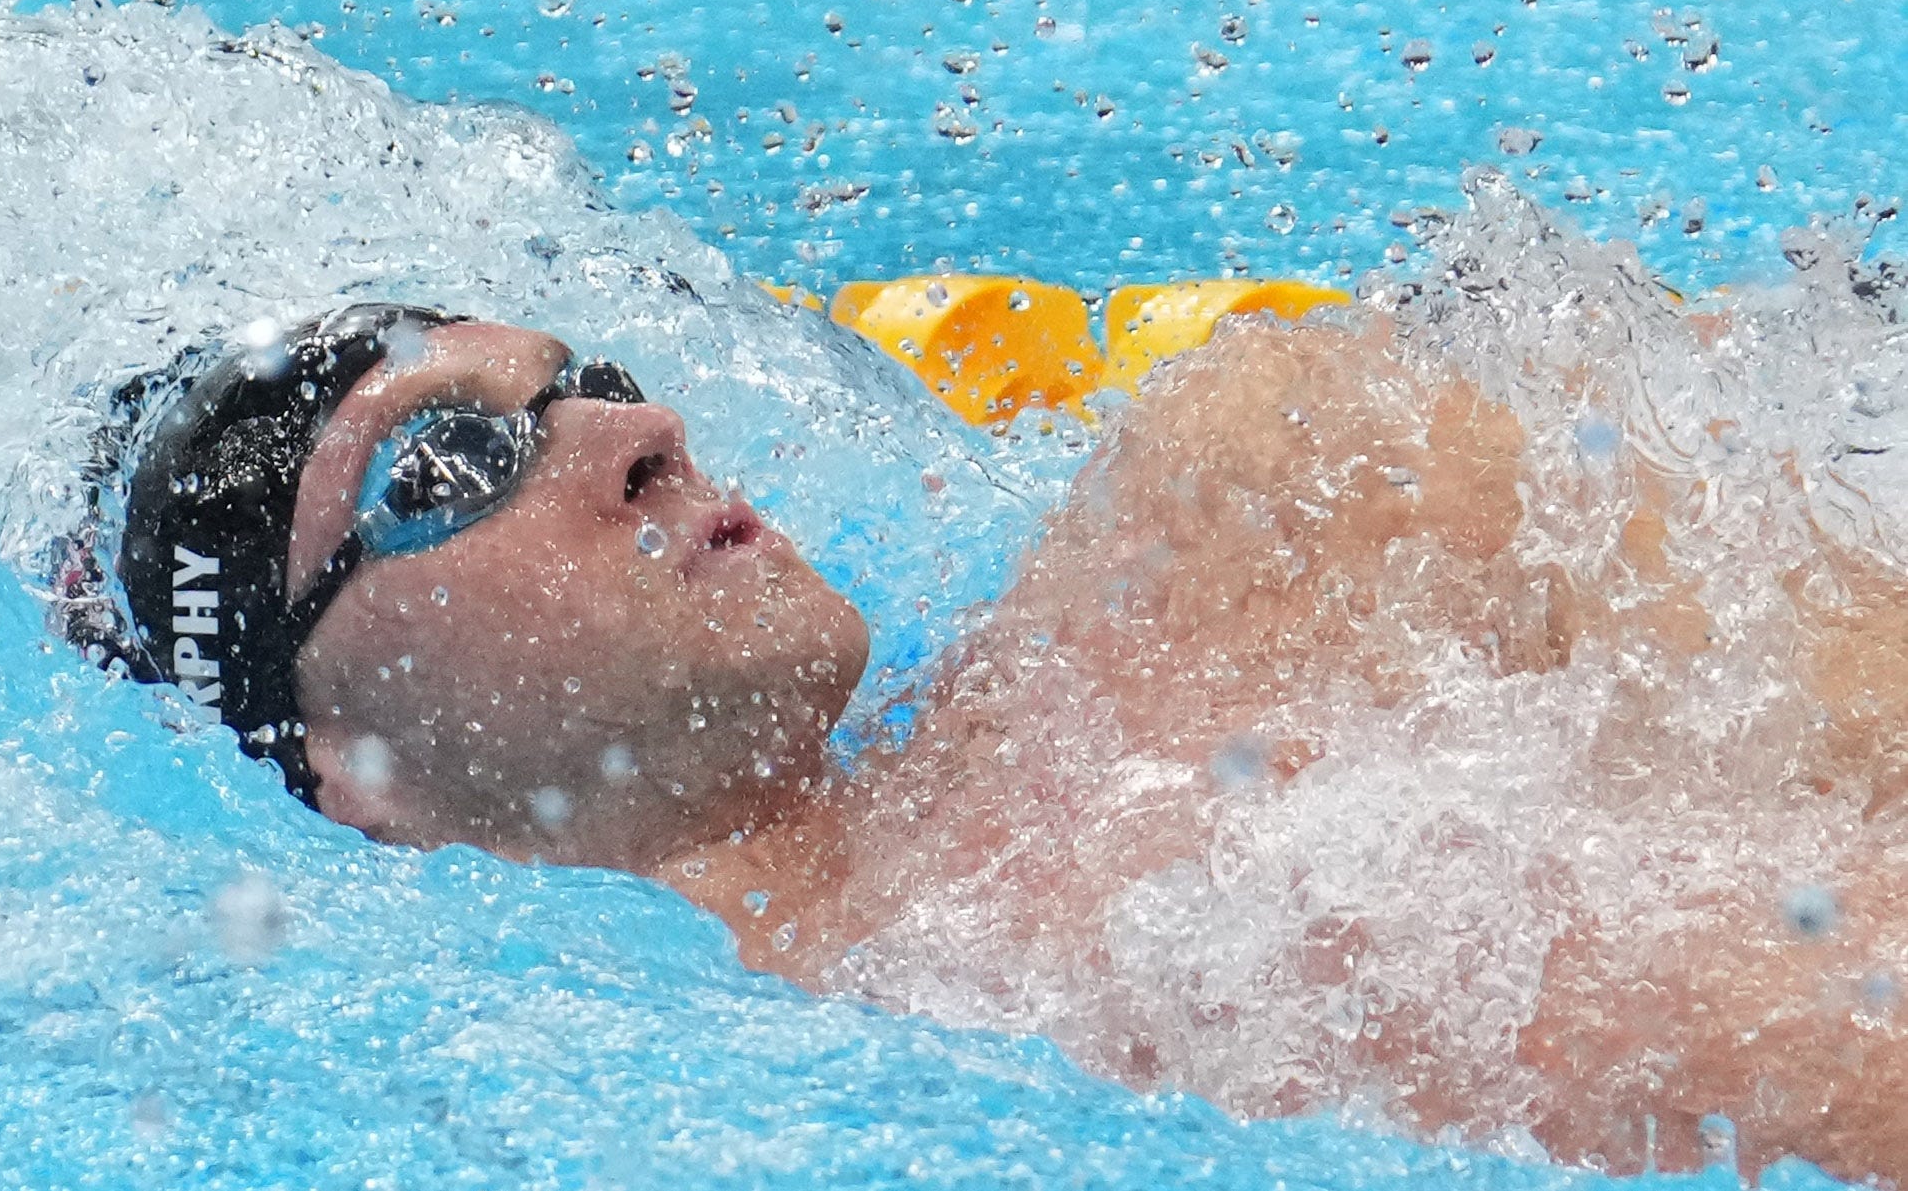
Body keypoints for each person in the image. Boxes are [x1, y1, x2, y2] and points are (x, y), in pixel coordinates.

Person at [100, 301, 1908, 1184]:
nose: (637, 425)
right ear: (347, 770)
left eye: (585, 377)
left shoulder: (1262, 494)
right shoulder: (719, 1116)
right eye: (446, 465)